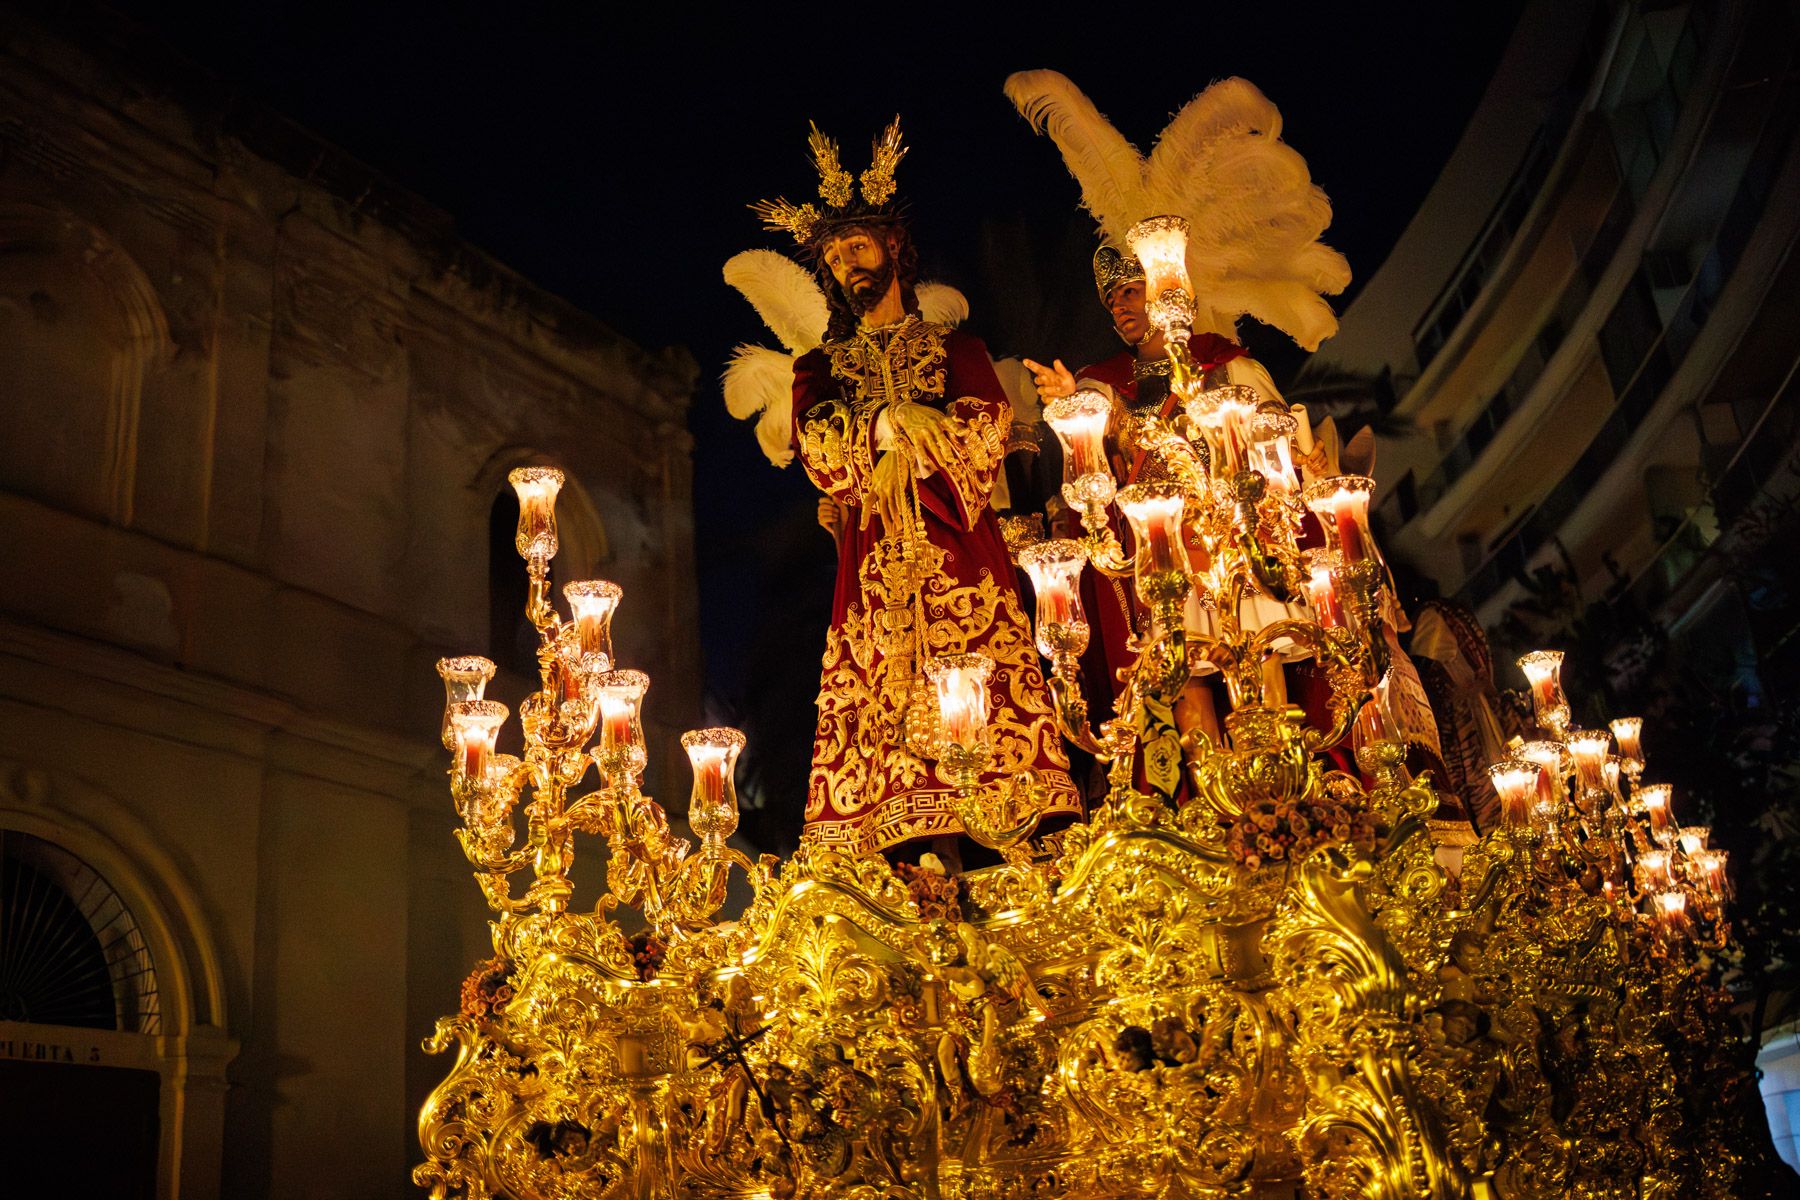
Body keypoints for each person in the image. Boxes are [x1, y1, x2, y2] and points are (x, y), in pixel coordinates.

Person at [751, 121, 1079, 860]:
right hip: (874, 570)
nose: (847, 265)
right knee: (883, 710)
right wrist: (888, 424)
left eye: (857, 247)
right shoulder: (820, 368)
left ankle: (1016, 855)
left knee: (990, 701)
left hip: (958, 550)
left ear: (893, 247)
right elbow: (818, 446)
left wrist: (926, 433)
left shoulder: (956, 347)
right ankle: (918, 868)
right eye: (835, 257)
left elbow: (985, 426)